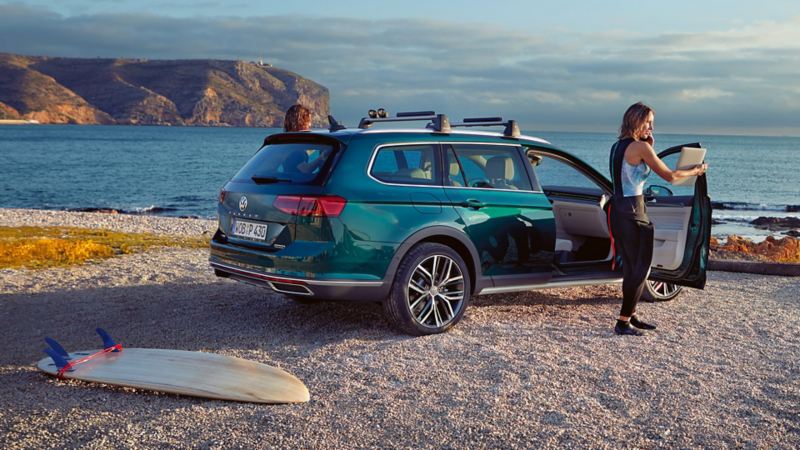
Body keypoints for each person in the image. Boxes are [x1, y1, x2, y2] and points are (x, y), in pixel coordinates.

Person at [608, 102, 708, 336]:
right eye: (648, 121)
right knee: (640, 268)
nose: (651, 126)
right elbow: (671, 176)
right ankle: (623, 322)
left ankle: (630, 315)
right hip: (633, 210)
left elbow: (631, 173)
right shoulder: (640, 147)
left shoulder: (618, 146)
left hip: (620, 209)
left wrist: (648, 146)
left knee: (632, 267)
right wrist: (697, 170)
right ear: (636, 120)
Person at [281, 104, 327, 173]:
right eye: (308, 121)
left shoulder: (286, 143)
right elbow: (305, 169)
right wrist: (320, 159)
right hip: (298, 182)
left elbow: (294, 161)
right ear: (300, 122)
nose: (310, 125)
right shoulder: (296, 150)